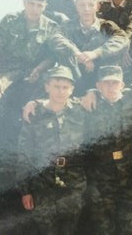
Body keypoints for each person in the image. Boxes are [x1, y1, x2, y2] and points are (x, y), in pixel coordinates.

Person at [0, 0, 59, 148]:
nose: (34, 9)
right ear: (24, 3)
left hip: (34, 71)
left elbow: (52, 56)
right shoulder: (10, 20)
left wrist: (39, 68)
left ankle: (38, 144)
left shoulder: (51, 26)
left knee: (51, 94)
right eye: (31, 4)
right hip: (8, 71)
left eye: (39, 5)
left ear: (45, 6)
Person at [17, 66, 87, 235]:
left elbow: (114, 95)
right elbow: (24, 153)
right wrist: (25, 190)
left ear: (72, 90)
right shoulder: (34, 114)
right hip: (43, 184)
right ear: (47, 87)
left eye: (65, 87)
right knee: (47, 229)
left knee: (70, 229)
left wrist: (93, 91)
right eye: (56, 86)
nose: (60, 91)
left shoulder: (81, 111)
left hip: (73, 183)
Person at [85, 65, 132, 235]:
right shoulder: (89, 104)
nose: (111, 87)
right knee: (103, 226)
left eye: (115, 83)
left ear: (122, 85)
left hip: (129, 173)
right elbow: (60, 101)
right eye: (106, 83)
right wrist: (35, 103)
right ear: (98, 85)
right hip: (101, 174)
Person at [52, 0, 129, 95]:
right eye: (82, 5)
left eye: (91, 5)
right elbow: (55, 37)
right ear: (76, 7)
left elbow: (122, 39)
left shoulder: (106, 26)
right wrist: (77, 53)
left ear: (97, 6)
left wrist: (95, 54)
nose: (86, 9)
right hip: (74, 81)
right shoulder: (67, 25)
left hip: (101, 81)